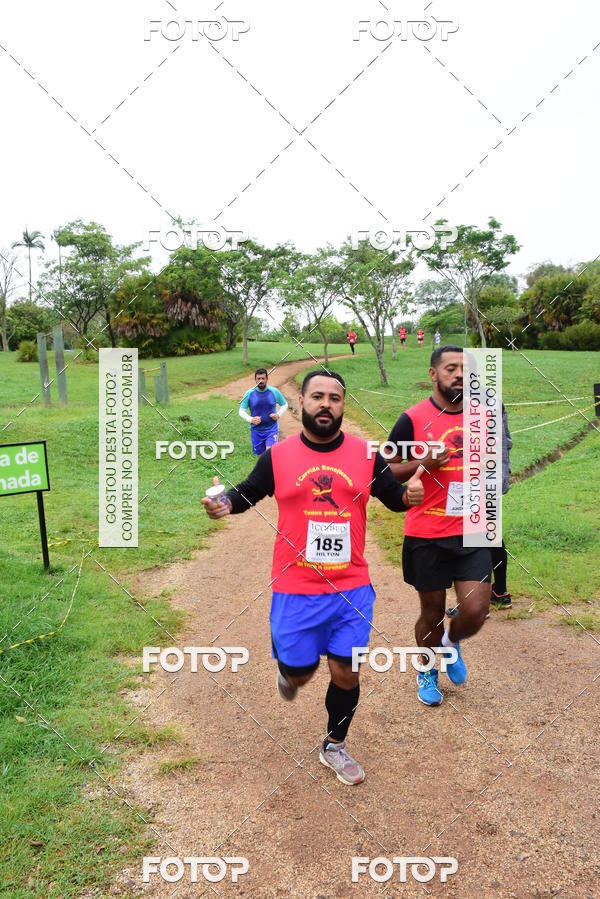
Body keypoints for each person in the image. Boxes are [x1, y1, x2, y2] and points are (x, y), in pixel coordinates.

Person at [202, 370, 425, 784]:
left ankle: (334, 745)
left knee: (347, 672)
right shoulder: (279, 457)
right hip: (296, 588)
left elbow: (392, 499)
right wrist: (225, 505)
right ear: (301, 402)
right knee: (301, 673)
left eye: (335, 398)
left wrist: (408, 496)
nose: (326, 404)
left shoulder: (364, 455)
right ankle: (290, 670)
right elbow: (250, 490)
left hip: (351, 588)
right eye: (318, 396)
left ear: (343, 406)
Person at [387, 346, 491, 707]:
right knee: (431, 612)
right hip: (426, 533)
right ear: (434, 374)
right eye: (451, 368)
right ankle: (427, 667)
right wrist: (424, 461)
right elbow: (382, 471)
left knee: (476, 610)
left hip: (472, 529)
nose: (459, 374)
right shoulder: (412, 419)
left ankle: (449, 643)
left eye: (465, 368)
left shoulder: (482, 416)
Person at [490, 403, 512, 609]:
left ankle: (475, 601)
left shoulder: (458, 403)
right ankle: (500, 590)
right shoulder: (495, 402)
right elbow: (507, 441)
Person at [239, 369, 288, 455]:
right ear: (255, 380)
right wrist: (251, 419)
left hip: (271, 430)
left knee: (269, 455)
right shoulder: (249, 393)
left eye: (263, 378)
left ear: (267, 379)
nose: (261, 381)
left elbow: (284, 404)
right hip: (256, 431)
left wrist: (278, 414)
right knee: (261, 459)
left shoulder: (274, 392)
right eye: (258, 378)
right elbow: (241, 411)